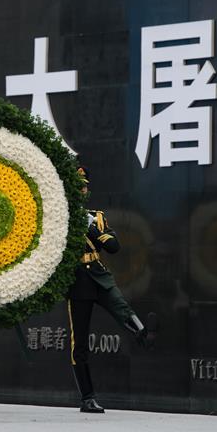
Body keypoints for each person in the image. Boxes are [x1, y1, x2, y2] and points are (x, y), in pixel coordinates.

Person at [66, 166, 157, 413]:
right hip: (76, 280)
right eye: (77, 185)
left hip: (98, 274)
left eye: (84, 185)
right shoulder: (59, 216)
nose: (81, 189)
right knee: (80, 343)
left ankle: (142, 334)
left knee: (120, 305)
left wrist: (93, 229)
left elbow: (114, 246)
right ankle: (87, 398)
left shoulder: (96, 216)